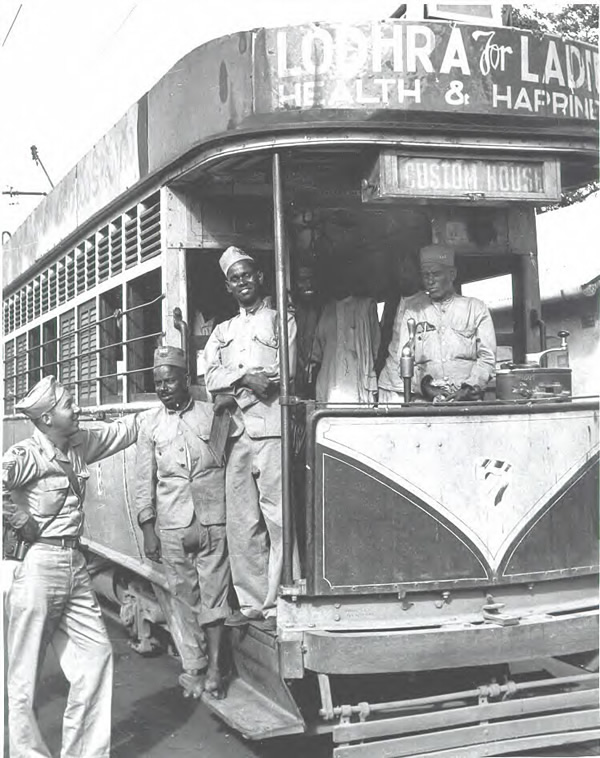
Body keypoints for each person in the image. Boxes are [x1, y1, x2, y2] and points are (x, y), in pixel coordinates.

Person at [2, 375, 140, 758]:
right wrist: (14, 517)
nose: (76, 407)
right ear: (47, 418)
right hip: (37, 567)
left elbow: (122, 432)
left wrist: (168, 406)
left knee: (96, 657)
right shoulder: (26, 455)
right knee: (23, 677)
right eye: (67, 404)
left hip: (75, 564)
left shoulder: (79, 445)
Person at [135, 346, 239, 699]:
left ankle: (213, 671)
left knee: (215, 595)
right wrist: (148, 529)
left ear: (186, 379)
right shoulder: (150, 425)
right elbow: (142, 481)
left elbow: (232, 459)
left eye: (170, 380)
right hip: (173, 526)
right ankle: (194, 667)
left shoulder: (212, 414)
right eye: (158, 382)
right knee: (184, 600)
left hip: (213, 520)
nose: (164, 388)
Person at [204, 246, 297, 631]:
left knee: (277, 517)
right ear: (228, 286)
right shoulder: (222, 331)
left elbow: (280, 374)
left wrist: (234, 381)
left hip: (270, 428)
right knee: (242, 520)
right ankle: (253, 601)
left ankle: (281, 599)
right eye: (234, 278)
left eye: (247, 275)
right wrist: (243, 376)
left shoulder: (281, 321)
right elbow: (210, 379)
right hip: (236, 434)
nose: (242, 282)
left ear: (259, 277)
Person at [378, 244, 497, 402]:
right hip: (426, 401)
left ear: (452, 274)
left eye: (436, 274)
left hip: (468, 400)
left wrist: (468, 388)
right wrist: (425, 387)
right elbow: (403, 362)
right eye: (425, 275)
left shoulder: (475, 308)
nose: (430, 281)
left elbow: (487, 358)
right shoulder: (414, 313)